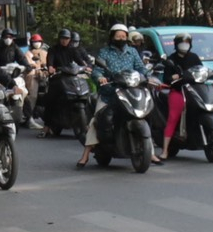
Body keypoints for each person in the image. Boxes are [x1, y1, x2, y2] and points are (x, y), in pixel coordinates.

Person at [81, 22, 156, 166]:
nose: (121, 38)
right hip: (110, 92)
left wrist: (148, 76)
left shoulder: (132, 52)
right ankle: (85, 154)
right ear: (112, 37)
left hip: (131, 91)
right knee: (97, 119)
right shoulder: (105, 52)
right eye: (118, 36)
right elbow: (97, 70)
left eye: (123, 36)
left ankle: (150, 152)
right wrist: (99, 77)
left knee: (145, 114)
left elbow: (140, 67)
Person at [158, 31, 205, 149]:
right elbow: (166, 78)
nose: (184, 45)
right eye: (182, 42)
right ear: (176, 44)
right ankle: (165, 149)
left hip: (194, 91)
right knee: (173, 117)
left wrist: (210, 73)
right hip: (178, 91)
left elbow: (200, 69)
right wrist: (173, 77)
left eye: (187, 42)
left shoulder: (194, 57)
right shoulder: (171, 59)